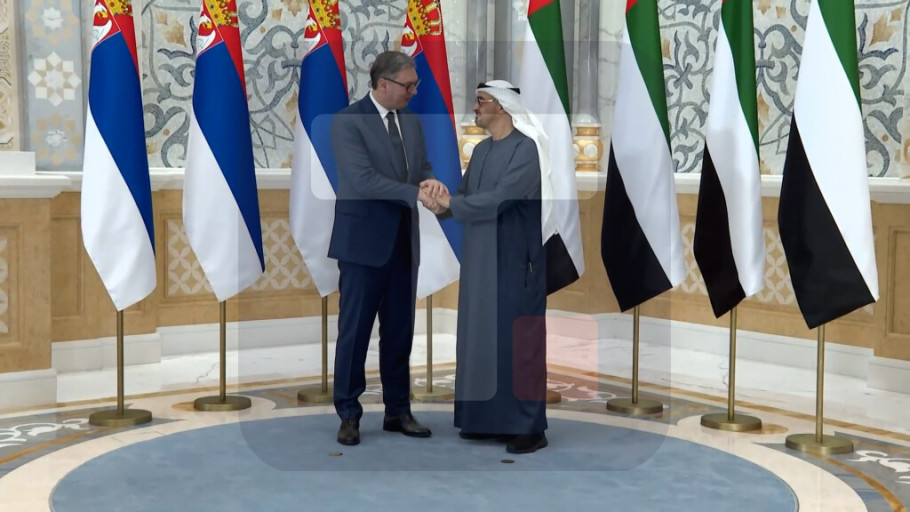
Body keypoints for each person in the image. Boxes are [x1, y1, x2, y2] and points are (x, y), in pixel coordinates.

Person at [328, 50, 447, 446]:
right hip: (362, 245)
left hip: (402, 244)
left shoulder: (411, 122)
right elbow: (361, 180)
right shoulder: (348, 121)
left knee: (399, 332)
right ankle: (349, 413)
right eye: (408, 86)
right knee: (355, 332)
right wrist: (414, 193)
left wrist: (429, 183)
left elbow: (421, 168)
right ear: (383, 84)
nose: (414, 92)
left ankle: (398, 411)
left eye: (415, 84)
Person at [428, 81, 550, 454]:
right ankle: (483, 419)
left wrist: (453, 205)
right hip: (479, 260)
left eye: (481, 101)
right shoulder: (481, 150)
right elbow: (465, 197)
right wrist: (440, 201)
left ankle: (529, 427)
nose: (476, 107)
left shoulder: (527, 149)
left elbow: (500, 198)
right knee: (479, 337)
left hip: (515, 261)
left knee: (517, 342)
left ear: (502, 106)